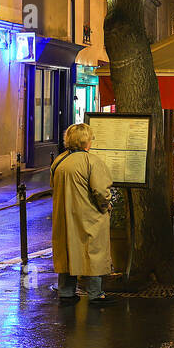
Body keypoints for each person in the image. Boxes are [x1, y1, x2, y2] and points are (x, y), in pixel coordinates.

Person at [51, 123, 118, 305]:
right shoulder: (92, 162)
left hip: (64, 216)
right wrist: (105, 207)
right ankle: (96, 294)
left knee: (67, 252)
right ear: (86, 141)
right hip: (89, 216)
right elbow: (101, 192)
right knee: (93, 253)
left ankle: (66, 292)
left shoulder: (59, 161)